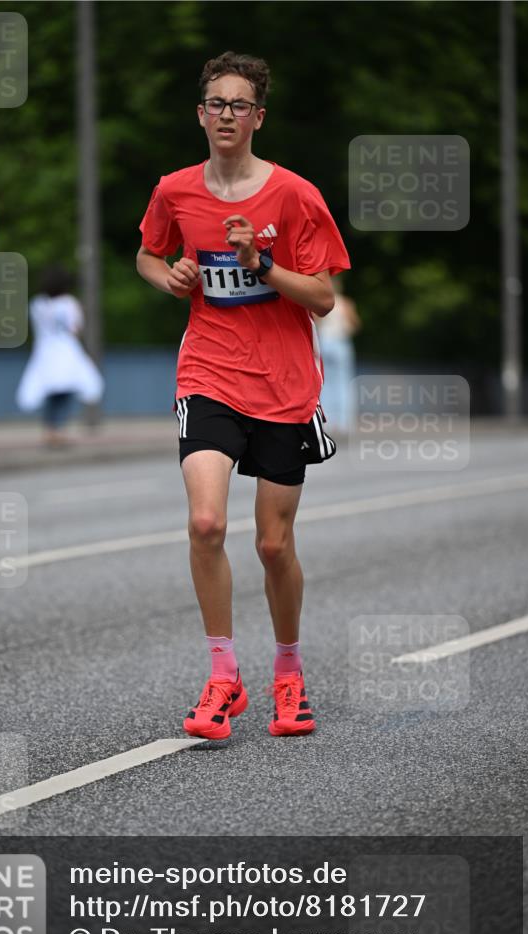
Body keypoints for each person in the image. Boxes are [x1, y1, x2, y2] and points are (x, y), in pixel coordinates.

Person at [136, 51, 350, 739]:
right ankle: (223, 678)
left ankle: (287, 673)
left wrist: (262, 264)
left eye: (239, 105)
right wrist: (164, 276)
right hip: (208, 371)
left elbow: (321, 296)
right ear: (201, 115)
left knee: (270, 544)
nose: (226, 115)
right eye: (215, 104)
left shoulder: (293, 196)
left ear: (259, 117)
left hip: (283, 385)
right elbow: (147, 252)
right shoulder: (174, 191)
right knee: (204, 523)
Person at [16, 265, 104, 447]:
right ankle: (58, 429)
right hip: (66, 351)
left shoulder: (36, 304)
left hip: (45, 351)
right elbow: (75, 329)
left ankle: (49, 428)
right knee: (66, 390)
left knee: (50, 391)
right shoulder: (69, 303)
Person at [312, 275, 361, 435]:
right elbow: (355, 324)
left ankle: (327, 421)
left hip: (324, 342)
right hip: (340, 342)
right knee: (343, 383)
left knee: (324, 383)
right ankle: (344, 422)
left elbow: (315, 322)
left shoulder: (322, 302)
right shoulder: (345, 304)